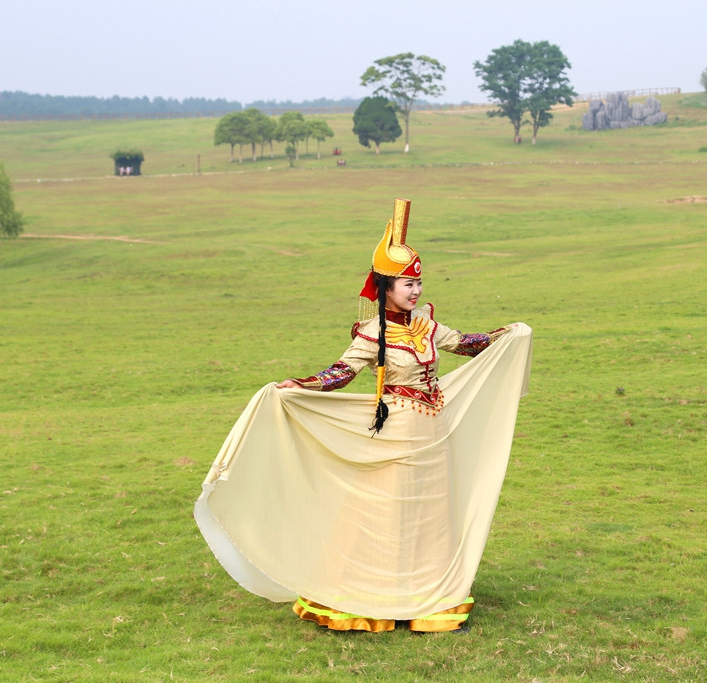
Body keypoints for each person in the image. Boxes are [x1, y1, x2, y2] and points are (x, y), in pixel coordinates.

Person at [195, 198, 531, 633]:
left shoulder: (427, 326)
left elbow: (465, 344)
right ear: (385, 287)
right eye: (407, 284)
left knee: (429, 517)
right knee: (385, 514)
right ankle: (367, 598)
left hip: (434, 433)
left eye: (419, 283)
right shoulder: (374, 332)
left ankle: (431, 601)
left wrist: (507, 335)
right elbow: (341, 373)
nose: (416, 291)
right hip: (395, 432)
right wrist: (299, 386)